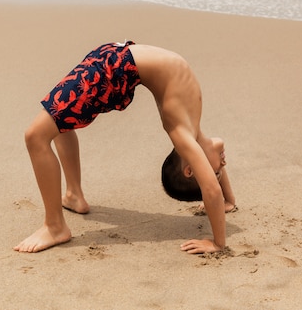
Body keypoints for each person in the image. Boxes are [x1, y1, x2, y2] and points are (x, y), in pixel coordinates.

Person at [14, 41, 236, 254]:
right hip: (117, 59)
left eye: (215, 172)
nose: (223, 165)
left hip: (115, 67)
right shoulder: (196, 133)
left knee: (35, 136)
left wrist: (218, 243)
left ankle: (55, 227)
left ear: (191, 169)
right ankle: (73, 195)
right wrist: (229, 201)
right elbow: (212, 177)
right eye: (217, 172)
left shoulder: (182, 133)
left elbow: (210, 189)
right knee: (61, 120)